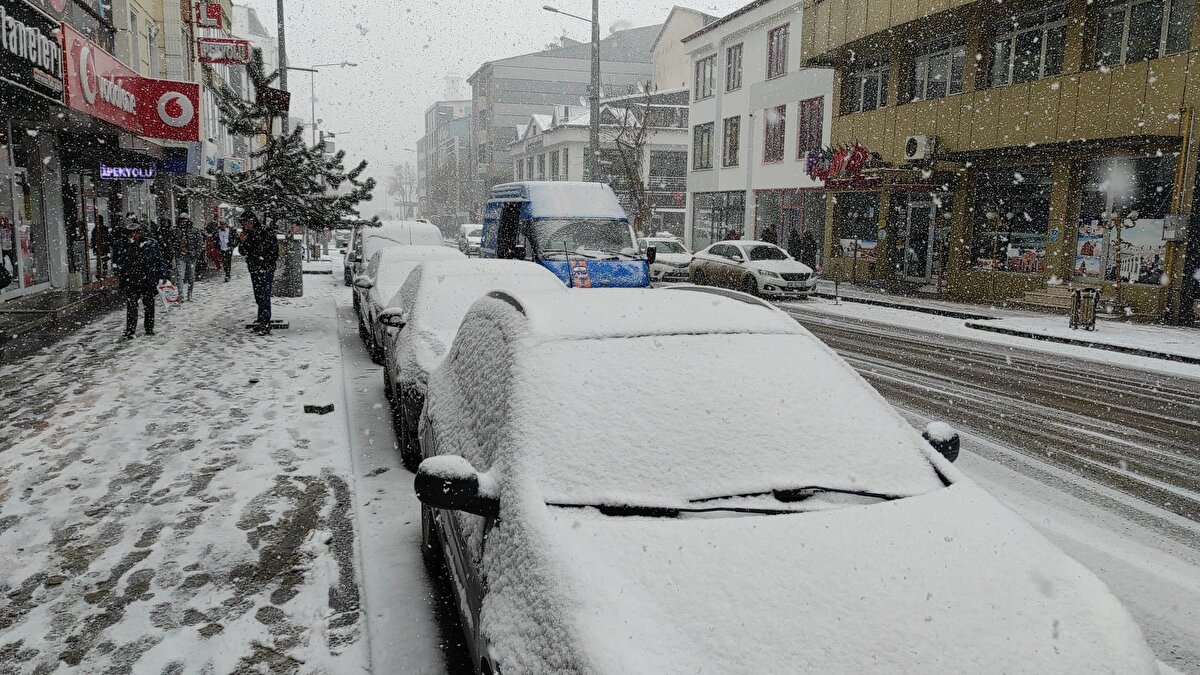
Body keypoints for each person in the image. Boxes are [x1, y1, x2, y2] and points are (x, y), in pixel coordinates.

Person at [112, 218, 167, 339]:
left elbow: (159, 260)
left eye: (137, 232)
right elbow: (117, 261)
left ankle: (149, 328)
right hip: (131, 280)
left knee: (149, 305)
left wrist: (163, 275)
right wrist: (121, 272)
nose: (134, 235)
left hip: (148, 279)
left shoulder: (151, 244)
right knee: (132, 305)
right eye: (132, 233)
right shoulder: (123, 245)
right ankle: (131, 330)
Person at [238, 212, 279, 334]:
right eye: (244, 223)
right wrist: (242, 242)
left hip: (265, 268)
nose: (246, 225)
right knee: (258, 295)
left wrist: (265, 260)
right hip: (254, 268)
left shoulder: (265, 232)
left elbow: (272, 250)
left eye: (247, 223)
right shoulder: (248, 235)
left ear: (252, 222)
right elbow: (243, 252)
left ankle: (265, 322)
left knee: (264, 294)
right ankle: (262, 319)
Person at [168, 213, 205, 302]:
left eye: (185, 221)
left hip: (191, 256)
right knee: (180, 276)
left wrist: (195, 253)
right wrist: (175, 251)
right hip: (180, 256)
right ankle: (181, 294)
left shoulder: (194, 230)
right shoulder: (175, 231)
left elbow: (200, 243)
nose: (183, 223)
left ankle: (189, 294)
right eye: (182, 221)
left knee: (191, 276)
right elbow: (170, 242)